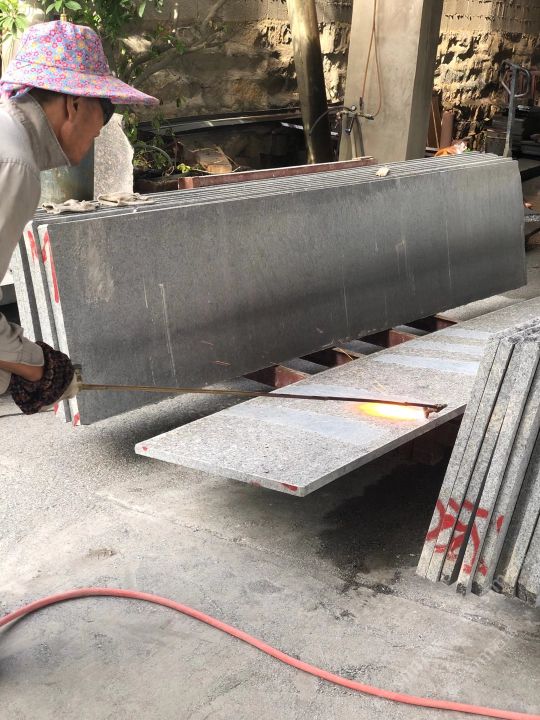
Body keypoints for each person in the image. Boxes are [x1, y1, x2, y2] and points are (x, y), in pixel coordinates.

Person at [0, 20, 158, 414]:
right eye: (104, 110)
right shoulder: (14, 164)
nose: (101, 130)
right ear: (73, 103)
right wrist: (38, 366)